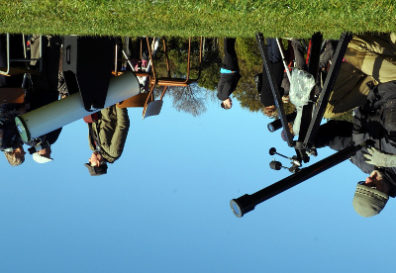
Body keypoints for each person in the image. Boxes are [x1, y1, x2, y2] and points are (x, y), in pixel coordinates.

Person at [314, 80, 396, 217]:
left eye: (364, 183)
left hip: (370, 90)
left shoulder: (364, 163)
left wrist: (312, 140)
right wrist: (391, 161)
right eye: (373, 186)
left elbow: (339, 138)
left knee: (327, 108)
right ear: (384, 194)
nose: (369, 180)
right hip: (391, 85)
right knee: (355, 58)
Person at [85, 105, 130, 176]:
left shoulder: (92, 146)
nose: (89, 160)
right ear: (97, 163)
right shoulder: (113, 152)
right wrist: (119, 102)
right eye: (90, 163)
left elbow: (90, 124)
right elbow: (122, 125)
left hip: (96, 104)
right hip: (110, 103)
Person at [217, 38, 241, 110]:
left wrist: (233, 88)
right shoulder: (221, 95)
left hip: (229, 70)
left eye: (230, 103)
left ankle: (228, 35)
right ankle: (231, 35)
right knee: (230, 51)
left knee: (228, 52)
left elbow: (228, 84)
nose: (231, 102)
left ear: (225, 104)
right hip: (228, 70)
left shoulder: (224, 95)